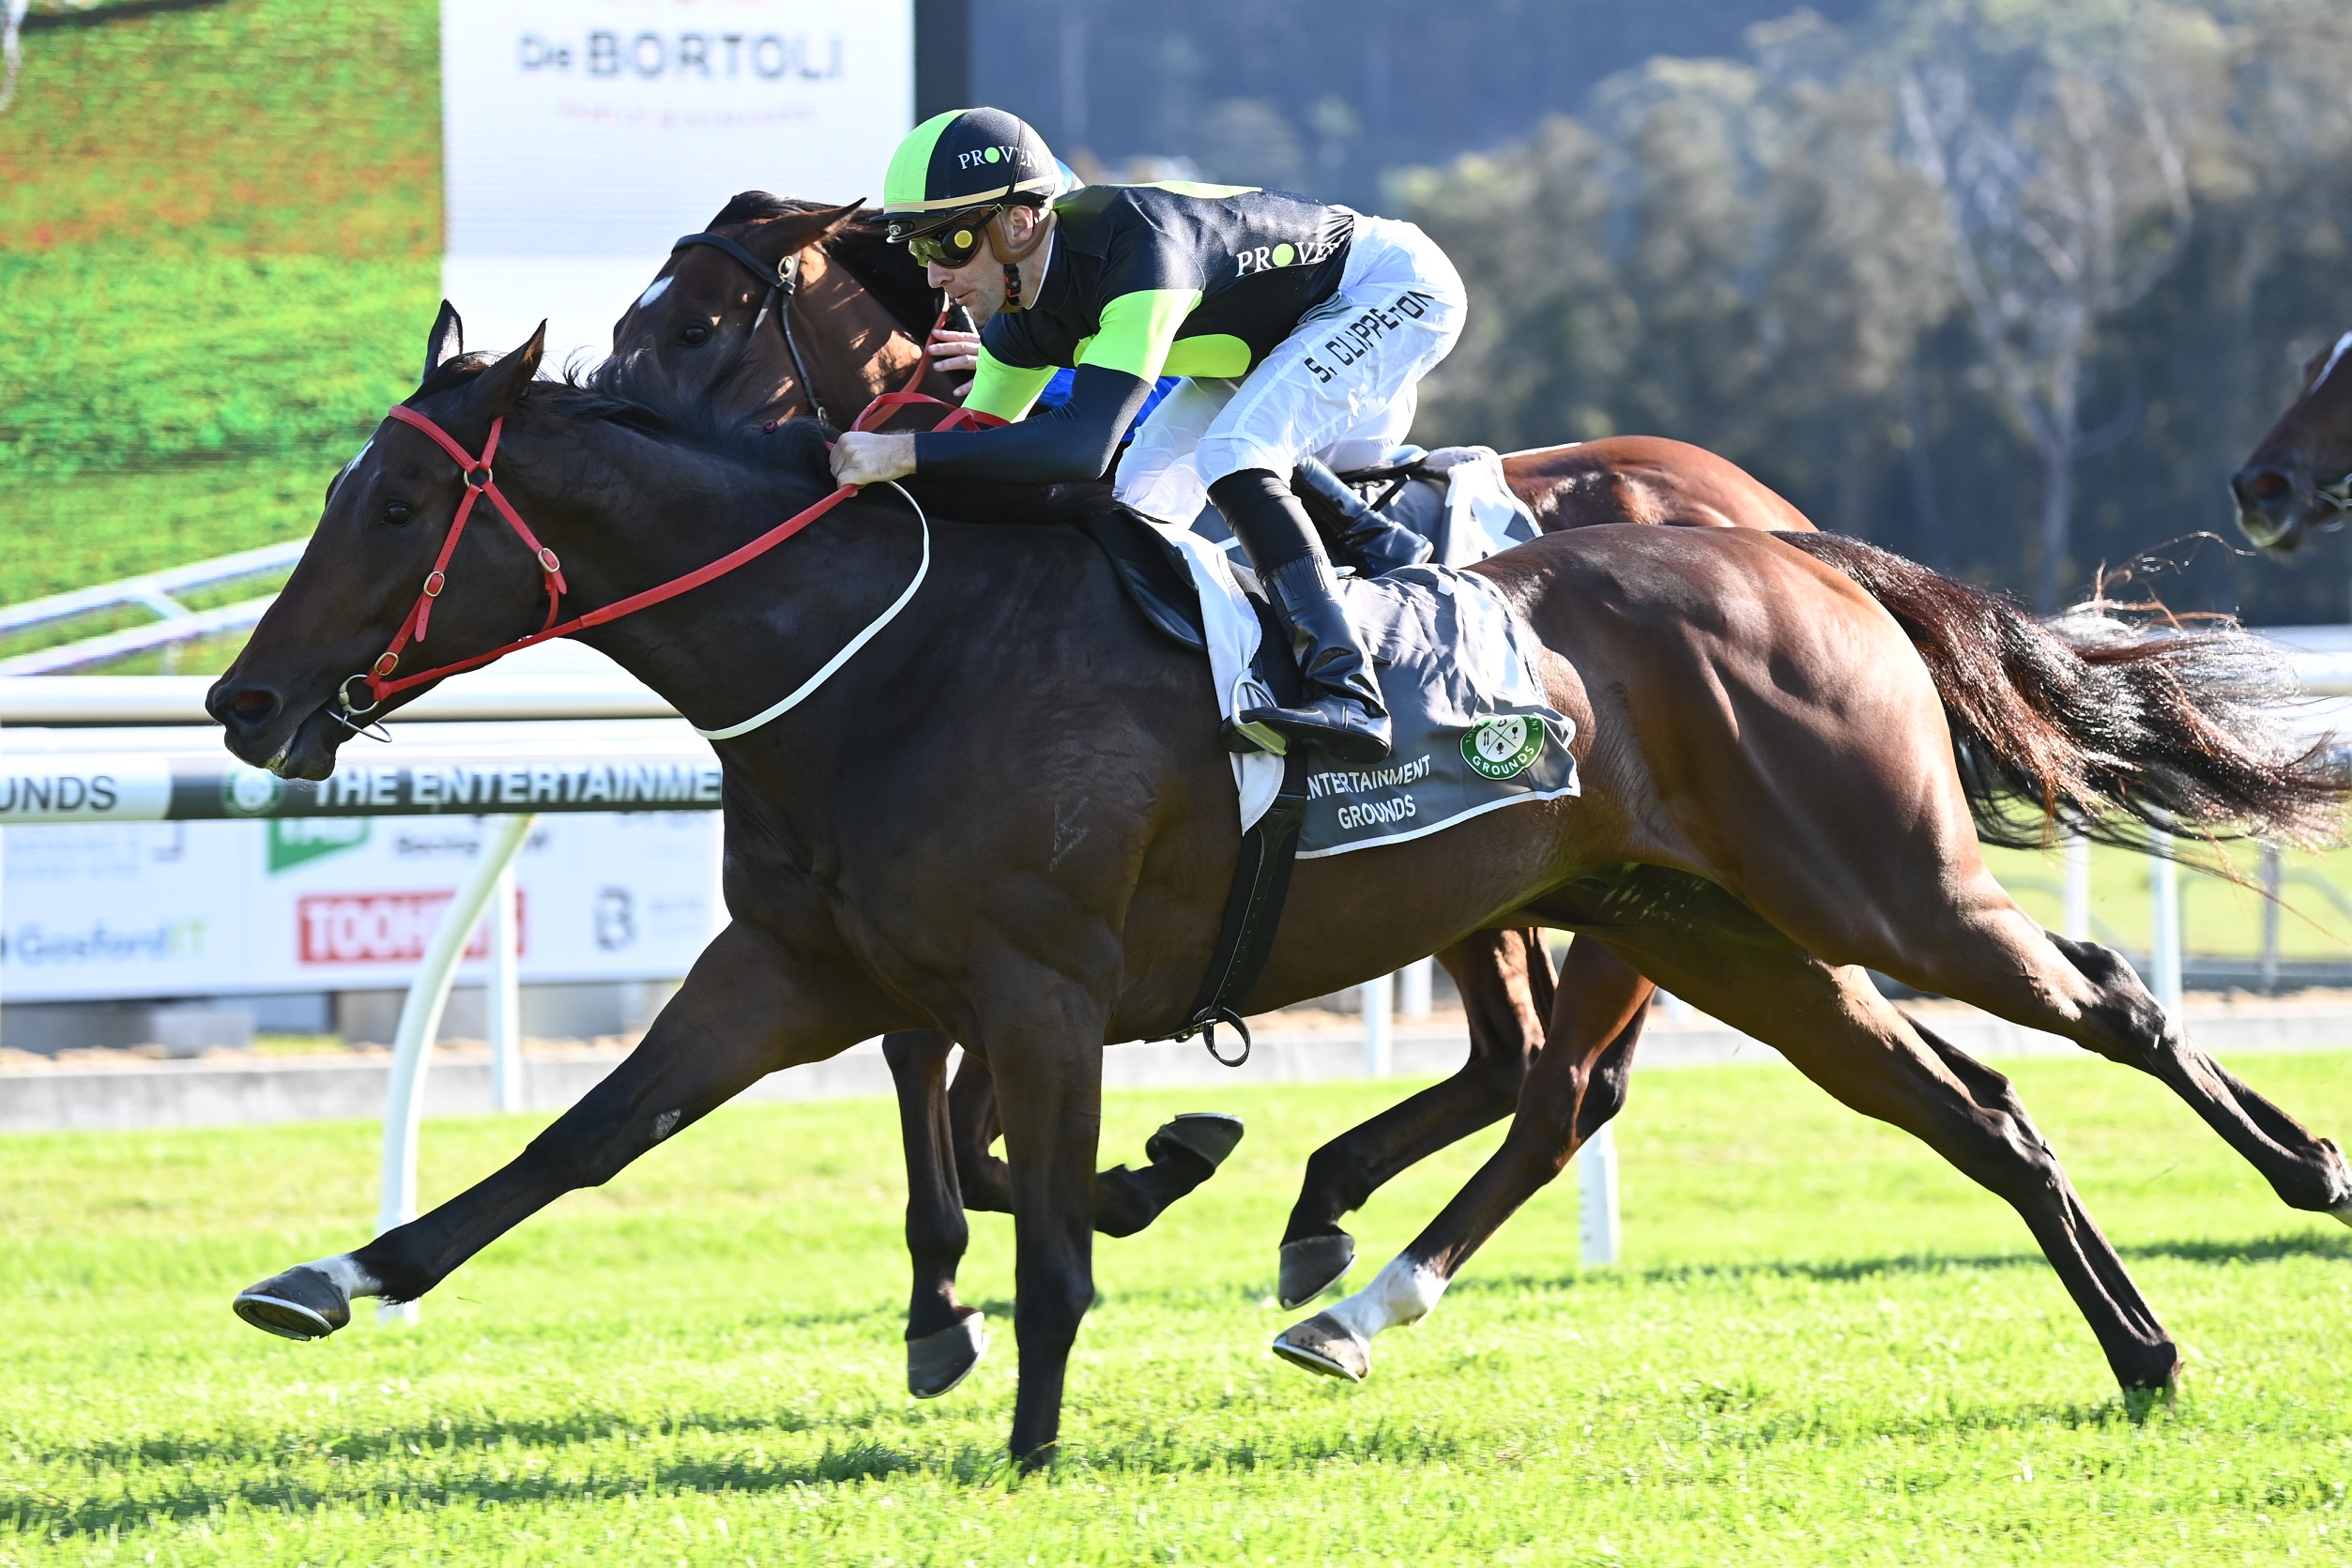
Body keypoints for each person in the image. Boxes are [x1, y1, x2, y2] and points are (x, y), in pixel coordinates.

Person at [831, 107, 1467, 764]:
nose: (933, 275)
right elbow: (979, 450)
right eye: (917, 249)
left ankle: (1348, 691)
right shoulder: (1018, 328)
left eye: (948, 244)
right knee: (1136, 507)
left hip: (1386, 285)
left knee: (1235, 453)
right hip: (1268, 335)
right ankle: (1200, 673)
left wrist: (901, 453)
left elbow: (1082, 448)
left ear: (1018, 223)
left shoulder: (1137, 249)